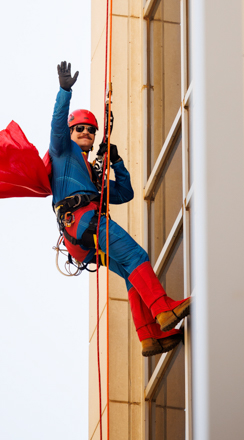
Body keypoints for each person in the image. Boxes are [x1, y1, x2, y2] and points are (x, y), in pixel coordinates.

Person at [52, 61, 190, 357]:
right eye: (79, 129)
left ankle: (149, 336)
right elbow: (57, 128)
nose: (86, 132)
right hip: (84, 222)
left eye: (90, 130)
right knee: (137, 256)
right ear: (70, 132)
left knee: (131, 271)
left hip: (82, 233)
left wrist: (115, 162)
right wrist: (64, 92)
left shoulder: (91, 174)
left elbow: (124, 193)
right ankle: (163, 308)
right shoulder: (62, 154)